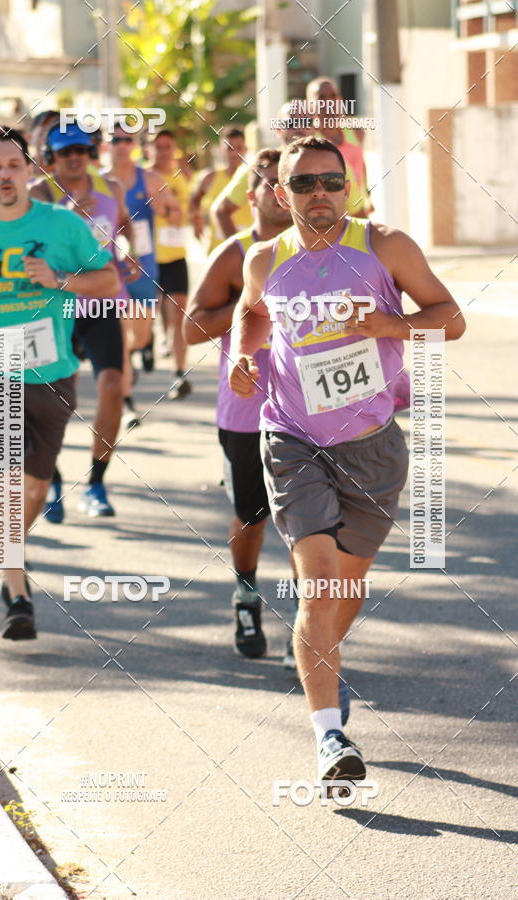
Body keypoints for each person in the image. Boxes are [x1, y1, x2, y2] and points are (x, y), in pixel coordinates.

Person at [229, 136, 465, 784]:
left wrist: (388, 326)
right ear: (282, 195)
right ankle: (331, 738)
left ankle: (320, 653)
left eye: (332, 181)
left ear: (349, 186)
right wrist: (243, 362)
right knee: (322, 580)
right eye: (303, 185)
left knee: (343, 591)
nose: (320, 195)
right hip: (292, 436)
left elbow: (451, 319)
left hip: (372, 445)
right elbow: (252, 319)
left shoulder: (385, 245)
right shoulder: (264, 259)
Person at [0, 125, 119, 640]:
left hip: (51, 372)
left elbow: (107, 281)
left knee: (35, 487)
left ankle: (7, 548)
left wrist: (59, 280)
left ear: (30, 171)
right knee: (7, 480)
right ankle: (17, 591)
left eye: (13, 165)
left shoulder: (63, 227)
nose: (4, 175)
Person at [185, 148, 292, 657]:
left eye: (285, 182)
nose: (278, 191)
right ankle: (245, 593)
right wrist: (249, 299)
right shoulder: (233, 254)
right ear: (250, 196)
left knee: (310, 523)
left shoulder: (318, 247)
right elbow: (189, 329)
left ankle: (309, 627)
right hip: (246, 413)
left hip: (311, 413)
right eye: (268, 183)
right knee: (252, 517)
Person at [30, 121, 137, 518]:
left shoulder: (111, 188)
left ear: (89, 153)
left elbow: (122, 223)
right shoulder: (39, 195)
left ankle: (95, 483)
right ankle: (51, 478)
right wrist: (68, 216)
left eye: (79, 150)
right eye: (64, 152)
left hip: (101, 298)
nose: (73, 158)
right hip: (55, 305)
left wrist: (130, 253)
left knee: (112, 384)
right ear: (52, 158)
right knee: (57, 396)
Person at [104, 125, 179, 425]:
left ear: (134, 145)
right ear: (106, 145)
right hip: (112, 272)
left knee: (140, 334)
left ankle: (141, 348)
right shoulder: (99, 182)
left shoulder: (148, 180)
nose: (121, 145)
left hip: (145, 267)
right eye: (115, 140)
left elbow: (176, 213)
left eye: (127, 140)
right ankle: (126, 404)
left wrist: (166, 211)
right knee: (120, 338)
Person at [210, 102, 312, 242]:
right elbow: (220, 210)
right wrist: (243, 253)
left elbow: (352, 213)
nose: (300, 128)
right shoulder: (260, 167)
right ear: (278, 128)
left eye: (306, 122)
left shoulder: (331, 164)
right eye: (292, 122)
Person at [146, 129, 192, 400]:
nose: (164, 152)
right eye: (158, 147)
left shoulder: (181, 177)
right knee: (146, 313)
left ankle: (179, 371)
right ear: (149, 149)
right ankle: (146, 342)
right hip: (149, 254)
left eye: (168, 147)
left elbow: (184, 211)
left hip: (176, 252)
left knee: (179, 311)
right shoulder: (144, 178)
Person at [306, 77, 371, 216]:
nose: (329, 102)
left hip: (359, 210)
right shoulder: (309, 139)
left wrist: (368, 197)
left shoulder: (356, 131)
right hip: (329, 213)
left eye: (333, 96)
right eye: (321, 98)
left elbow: (360, 166)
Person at [189, 127, 251, 252]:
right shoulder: (209, 178)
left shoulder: (253, 177)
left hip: (247, 252)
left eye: (238, 148)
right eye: (229, 148)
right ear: (221, 149)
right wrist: (196, 221)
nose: (234, 153)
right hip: (217, 251)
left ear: (245, 149)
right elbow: (195, 199)